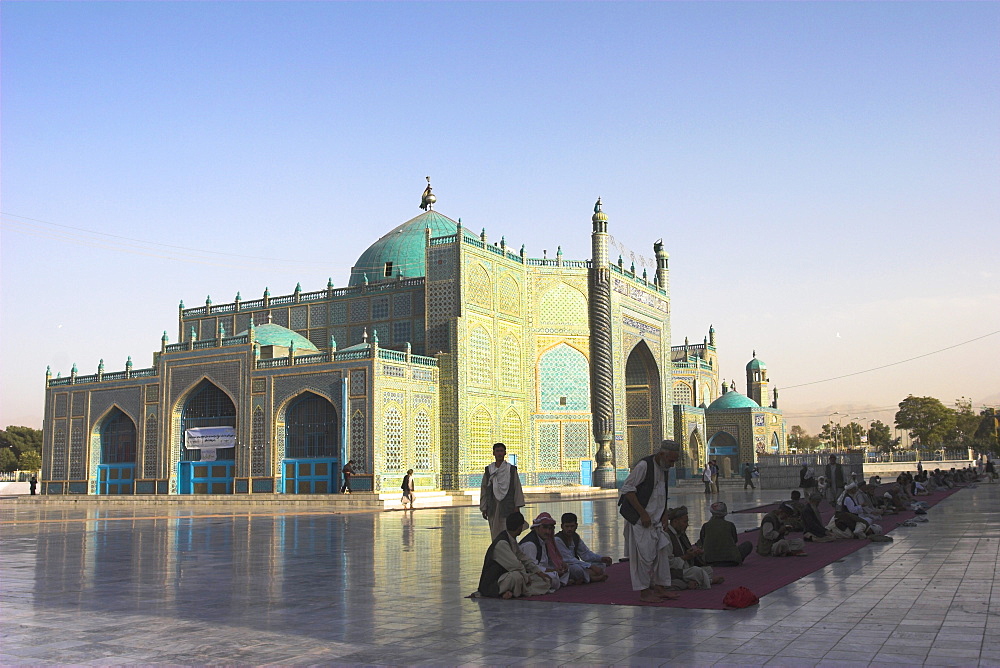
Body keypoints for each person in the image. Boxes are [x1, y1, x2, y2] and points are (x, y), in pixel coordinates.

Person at [618, 440, 683, 602]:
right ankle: (644, 593)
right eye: (671, 461)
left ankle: (660, 588)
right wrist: (642, 514)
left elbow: (661, 493)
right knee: (643, 558)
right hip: (640, 521)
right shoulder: (644, 466)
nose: (672, 465)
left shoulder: (664, 467)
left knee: (661, 554)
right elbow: (627, 489)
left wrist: (665, 514)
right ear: (662, 455)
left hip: (655, 521)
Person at [476, 511, 550, 599]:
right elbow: (515, 566)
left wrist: (538, 572)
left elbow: (523, 558)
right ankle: (503, 591)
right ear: (519, 528)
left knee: (544, 580)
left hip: (512, 576)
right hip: (495, 582)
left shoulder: (511, 540)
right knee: (517, 577)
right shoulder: (502, 543)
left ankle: (514, 591)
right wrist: (526, 578)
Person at [664, 506, 724, 589]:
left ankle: (692, 582)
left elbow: (687, 553)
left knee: (708, 570)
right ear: (675, 521)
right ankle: (708, 581)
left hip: (684, 569)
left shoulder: (681, 534)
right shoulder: (667, 536)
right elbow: (668, 563)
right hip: (672, 572)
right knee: (697, 572)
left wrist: (695, 553)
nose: (687, 525)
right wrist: (686, 557)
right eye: (685, 522)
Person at [479, 442, 526, 539]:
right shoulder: (489, 470)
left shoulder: (511, 470)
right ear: (493, 453)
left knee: (508, 531)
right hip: (493, 505)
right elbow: (484, 489)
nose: (499, 453)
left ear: (505, 453)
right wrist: (484, 507)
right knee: (495, 531)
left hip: (508, 505)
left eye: (501, 451)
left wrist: (517, 506)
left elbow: (517, 487)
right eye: (497, 451)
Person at [554, 512, 610, 584]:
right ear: (562, 526)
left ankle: (583, 577)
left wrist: (601, 558)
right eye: (567, 526)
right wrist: (591, 567)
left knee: (601, 564)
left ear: (576, 526)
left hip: (576, 563)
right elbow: (569, 559)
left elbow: (585, 554)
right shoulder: (557, 540)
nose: (569, 529)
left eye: (572, 526)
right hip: (566, 566)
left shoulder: (575, 537)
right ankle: (591, 578)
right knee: (577, 569)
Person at [518, 512, 569, 592]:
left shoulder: (543, 540)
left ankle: (557, 582)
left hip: (544, 570)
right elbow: (532, 567)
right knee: (552, 577)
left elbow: (547, 560)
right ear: (537, 528)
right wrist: (552, 571)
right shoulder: (530, 544)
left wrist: (559, 566)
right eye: (545, 528)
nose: (548, 532)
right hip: (532, 573)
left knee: (565, 570)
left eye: (550, 529)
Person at [698, 501, 753, 566]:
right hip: (731, 560)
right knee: (747, 545)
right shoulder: (730, 525)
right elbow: (735, 541)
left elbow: (702, 542)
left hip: (710, 560)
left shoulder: (706, 526)